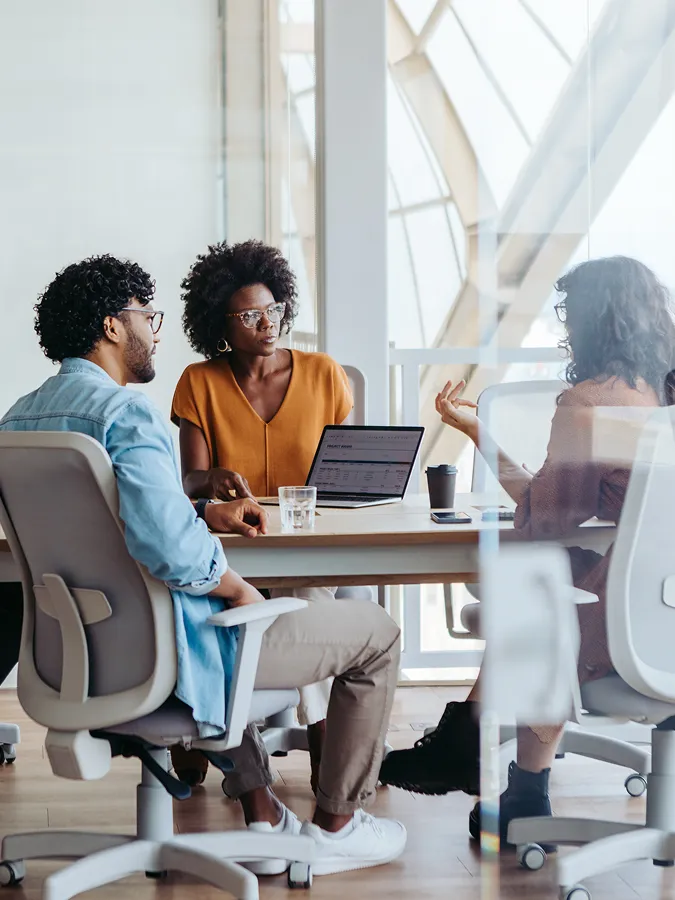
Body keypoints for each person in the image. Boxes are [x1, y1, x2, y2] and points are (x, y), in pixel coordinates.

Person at [0, 255, 406, 876]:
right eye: (147, 316)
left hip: (71, 659)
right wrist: (238, 585)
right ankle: (337, 826)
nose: (154, 330)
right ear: (113, 326)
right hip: (167, 655)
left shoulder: (19, 419)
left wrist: (197, 511)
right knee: (375, 634)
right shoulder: (124, 413)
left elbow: (104, 519)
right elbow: (169, 550)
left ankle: (265, 815)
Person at [380, 255, 675, 845]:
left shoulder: (589, 403)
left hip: (635, 633)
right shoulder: (665, 393)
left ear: (594, 321)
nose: (564, 329)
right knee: (558, 574)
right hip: (667, 613)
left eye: (568, 316)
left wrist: (480, 441)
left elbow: (546, 518)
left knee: (542, 578)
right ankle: (512, 779)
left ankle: (481, 751)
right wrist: (480, 434)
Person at [170, 239, 355, 789]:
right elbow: (187, 483)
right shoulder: (198, 382)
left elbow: (349, 475)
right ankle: (211, 743)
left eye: (272, 310)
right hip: (235, 549)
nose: (266, 323)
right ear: (219, 325)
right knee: (207, 612)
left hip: (307, 544)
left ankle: (326, 773)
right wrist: (211, 480)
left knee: (307, 610)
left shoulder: (324, 374)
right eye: (249, 315)